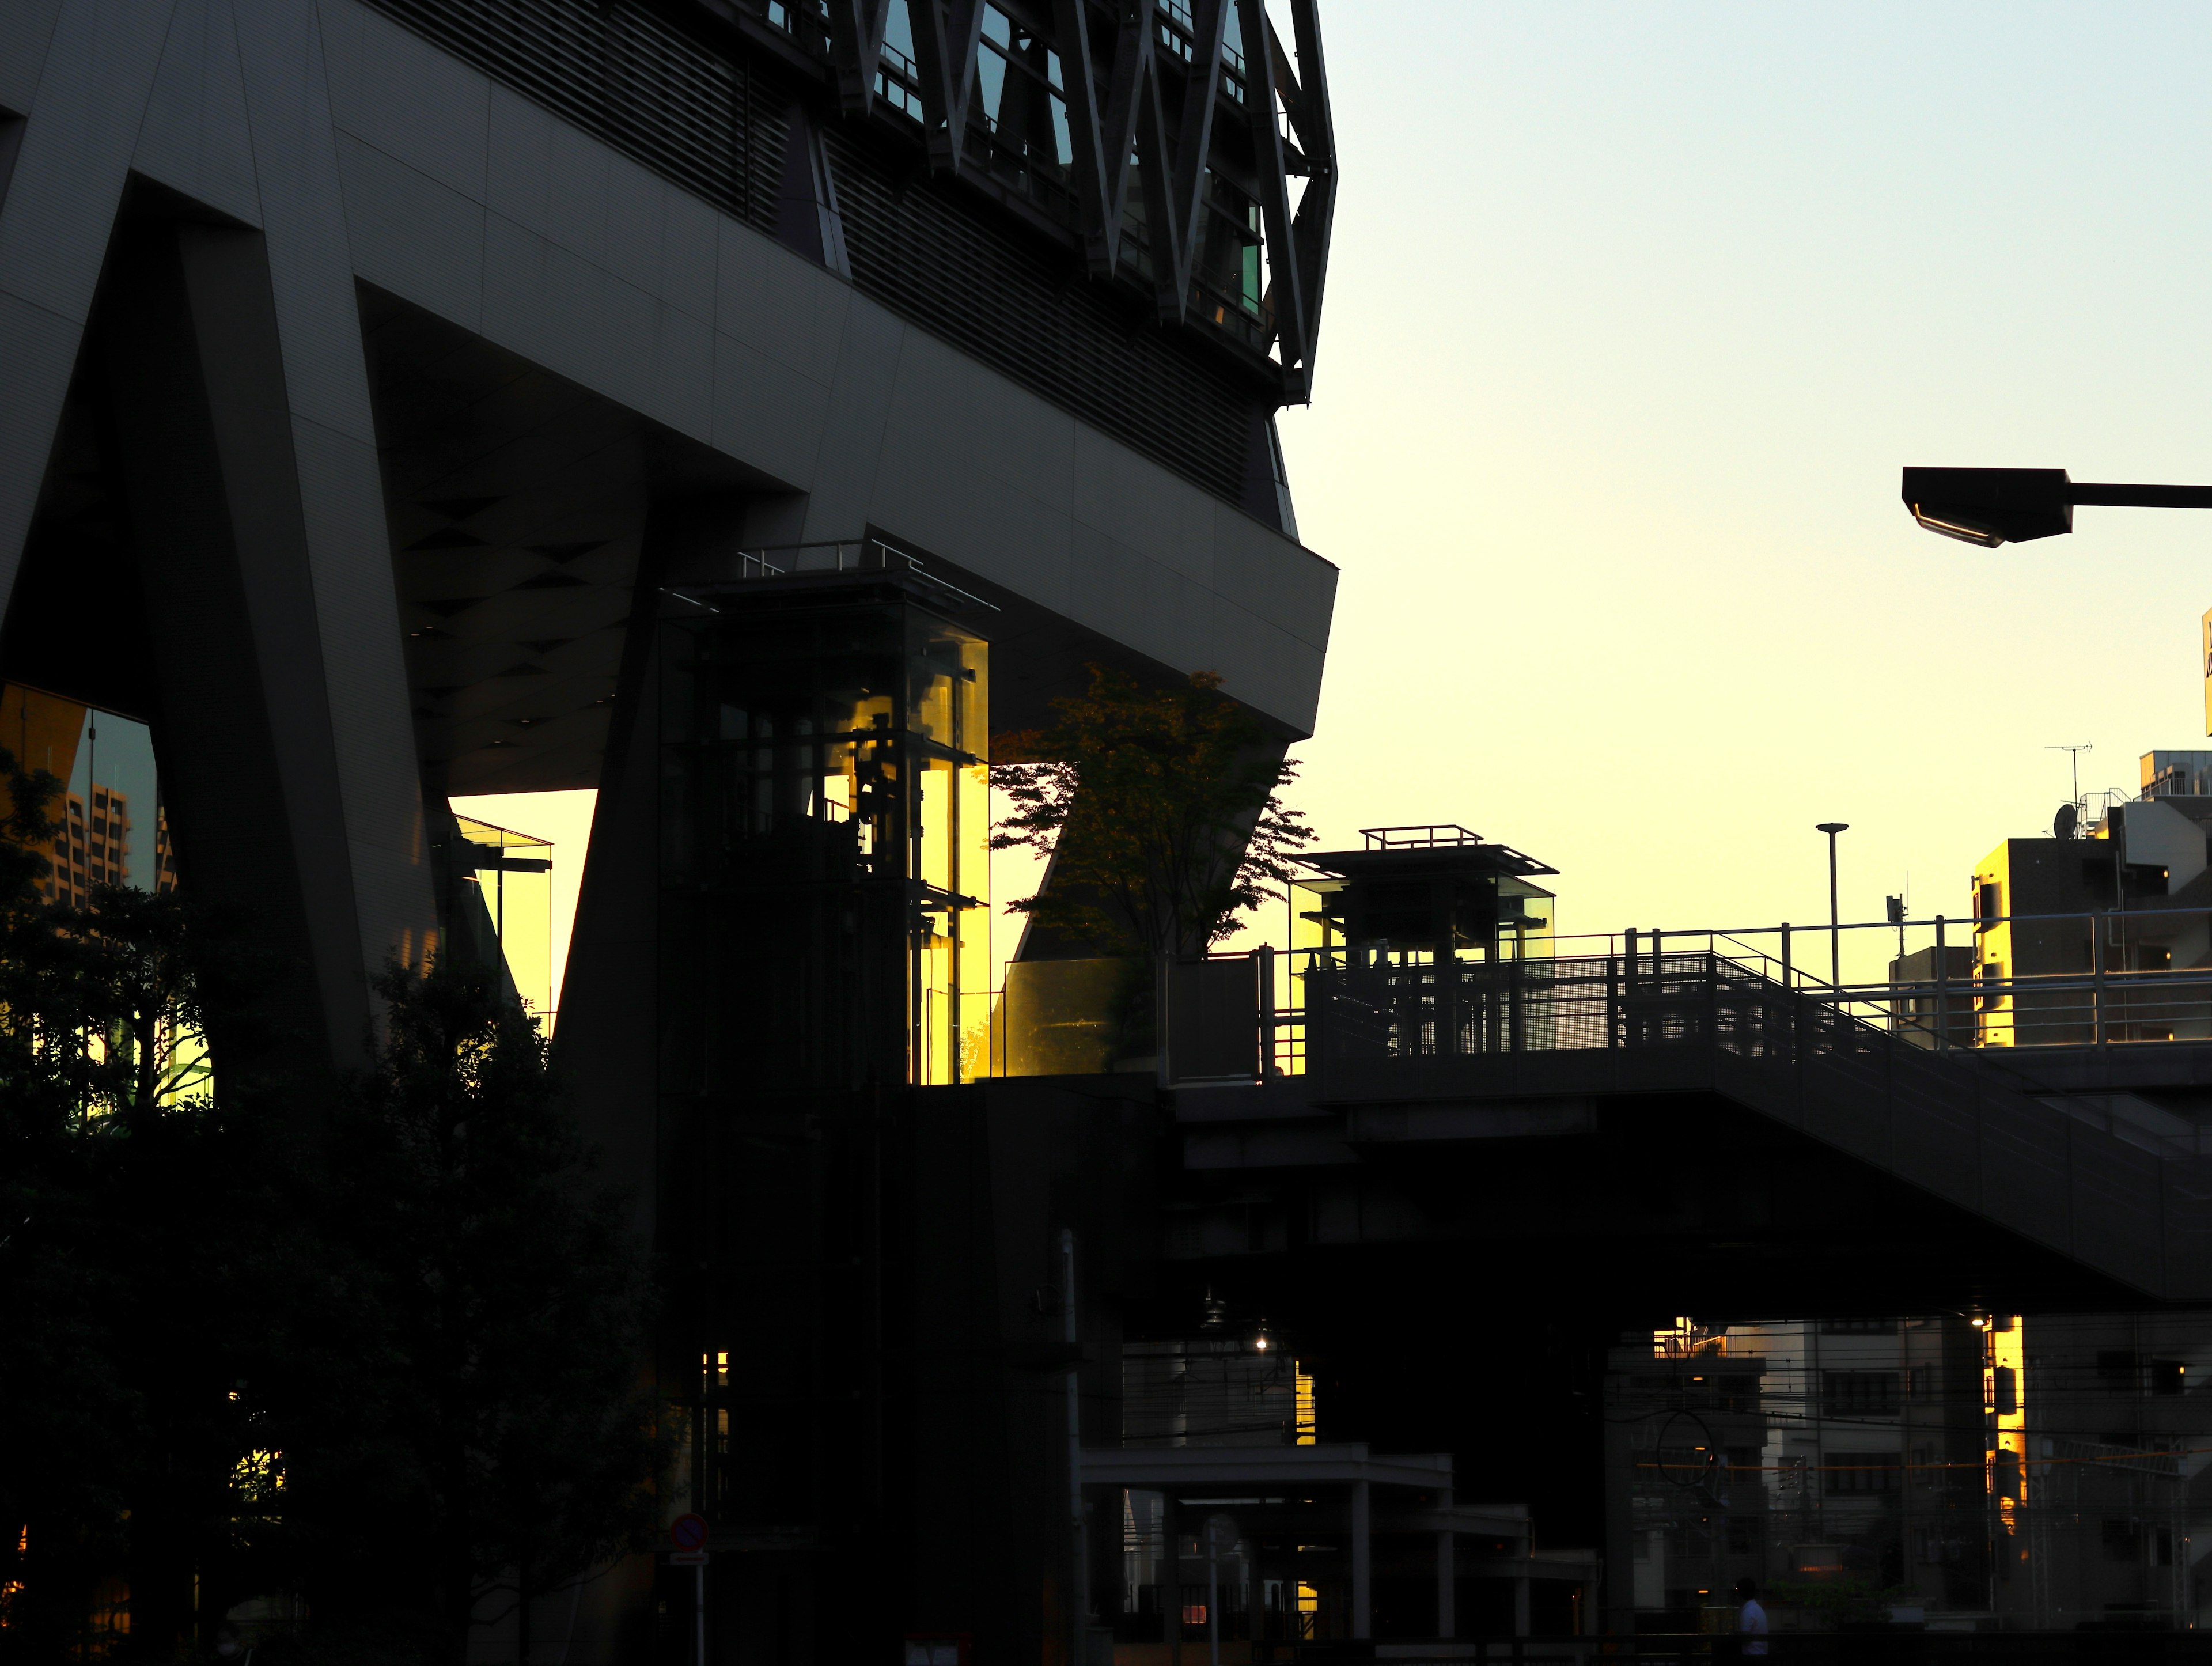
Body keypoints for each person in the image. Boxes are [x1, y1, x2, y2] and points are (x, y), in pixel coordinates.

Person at [1735, 1577, 1768, 1658]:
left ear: (1740, 1593)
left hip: (1752, 1655)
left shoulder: (1748, 1611)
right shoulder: (1757, 1608)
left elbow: (1745, 1637)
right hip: (1761, 1653)